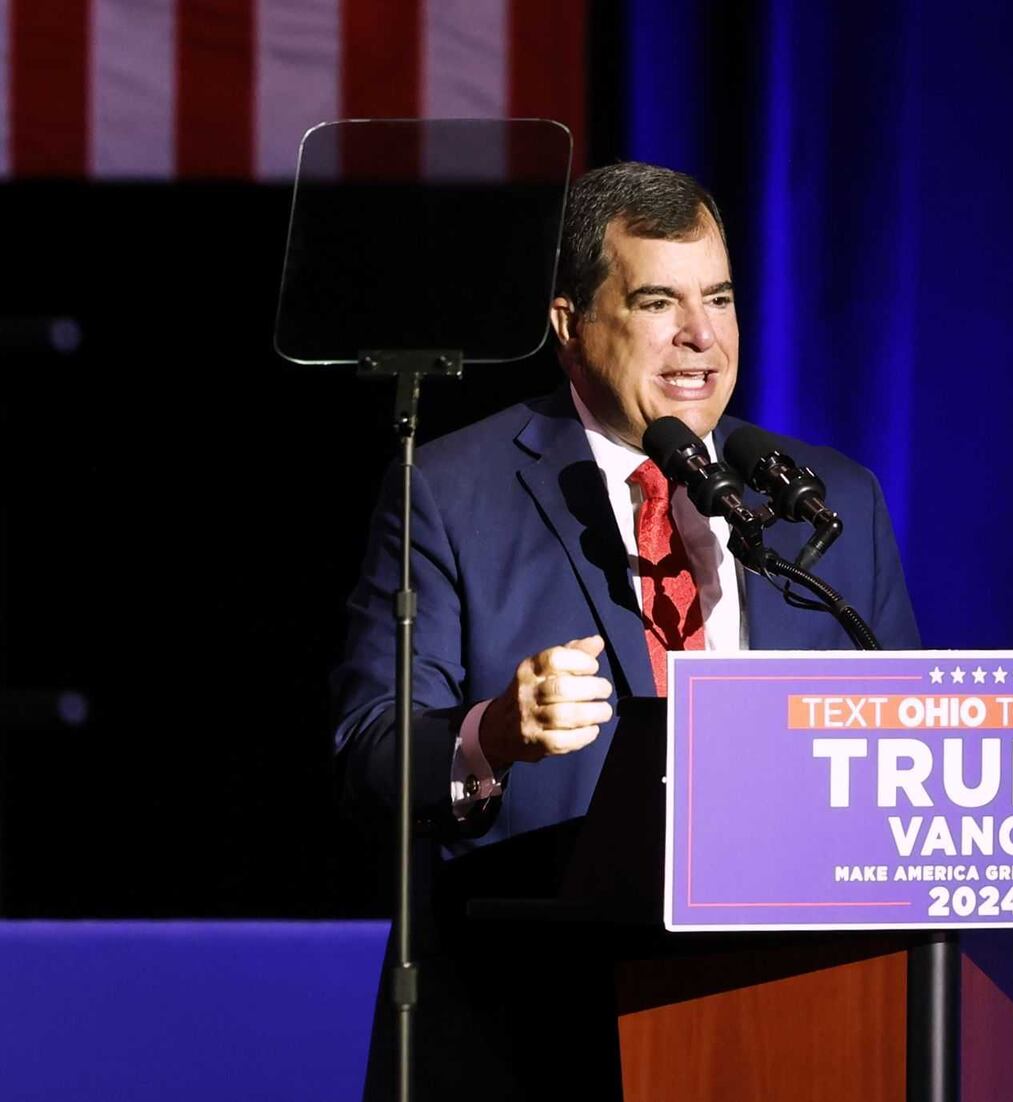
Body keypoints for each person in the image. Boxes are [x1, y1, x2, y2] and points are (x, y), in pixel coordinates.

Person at [332, 162, 919, 1099]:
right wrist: (493, 733)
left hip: (799, 1016)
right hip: (532, 1026)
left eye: (719, 298)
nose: (701, 338)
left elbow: (907, 755)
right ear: (569, 324)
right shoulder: (449, 491)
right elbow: (370, 755)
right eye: (658, 302)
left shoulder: (826, 501)